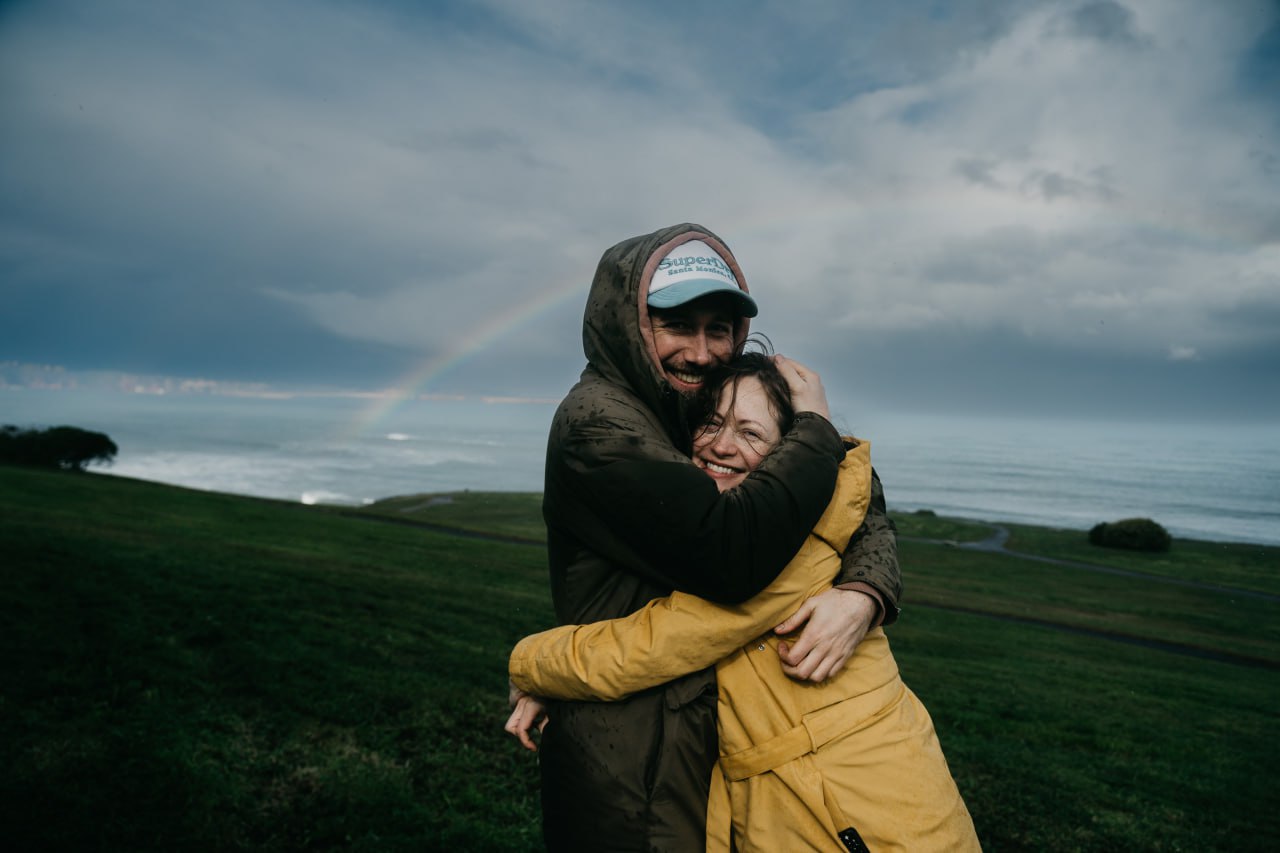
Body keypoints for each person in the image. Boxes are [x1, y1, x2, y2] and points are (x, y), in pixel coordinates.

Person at [519, 223, 902, 851]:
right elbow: (730, 554)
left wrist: (864, 592)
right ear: (629, 322)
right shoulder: (600, 426)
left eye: (717, 329)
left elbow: (853, 493)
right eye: (676, 325)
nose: (700, 353)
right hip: (631, 761)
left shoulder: (687, 406)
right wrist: (812, 425)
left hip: (706, 744)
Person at [508, 353, 980, 852]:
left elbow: (662, 640)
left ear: (794, 452)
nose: (721, 446)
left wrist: (532, 667)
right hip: (810, 798)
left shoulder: (778, 544)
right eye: (711, 423)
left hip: (863, 807)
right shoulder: (741, 524)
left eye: (751, 434)